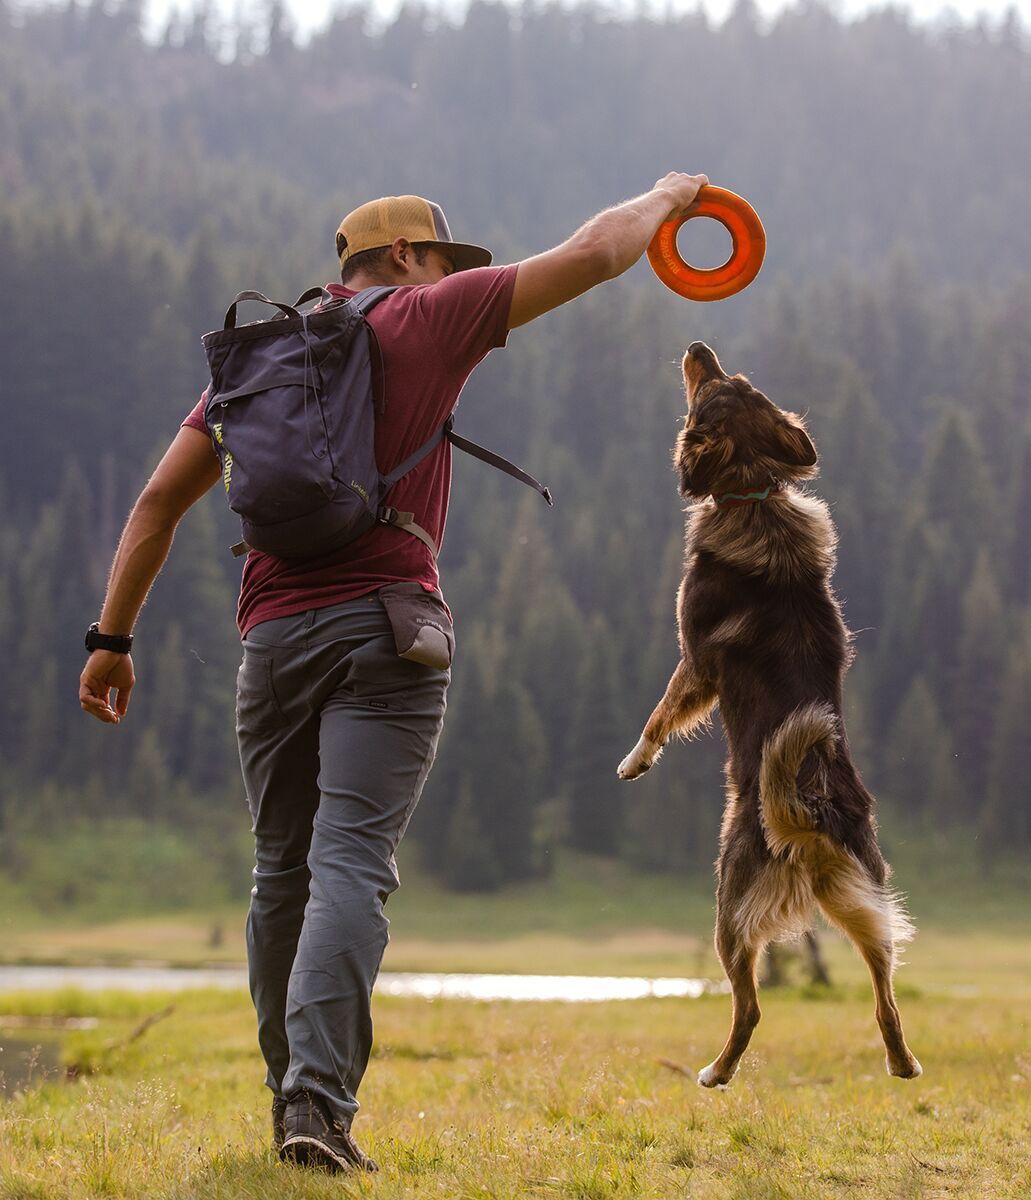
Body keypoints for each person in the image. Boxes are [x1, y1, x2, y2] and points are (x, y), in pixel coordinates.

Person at [77, 172, 708, 1174]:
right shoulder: (428, 315)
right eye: (445, 260)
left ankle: (292, 1096)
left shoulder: (256, 363)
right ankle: (316, 1107)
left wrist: (110, 641)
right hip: (388, 631)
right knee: (351, 863)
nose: (458, 277)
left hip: (273, 641)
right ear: (410, 259)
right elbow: (593, 254)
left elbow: (157, 502)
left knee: (280, 870)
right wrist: (669, 196)